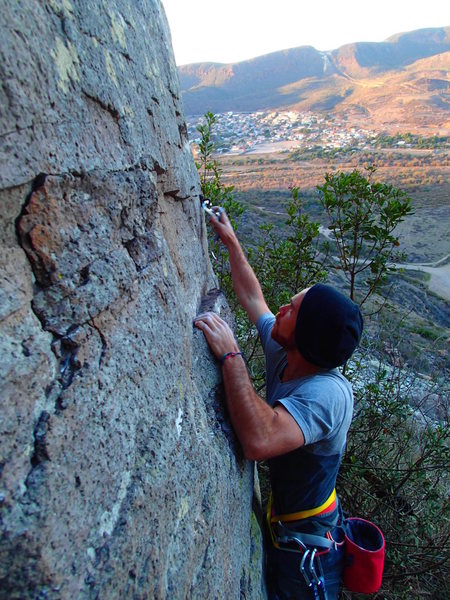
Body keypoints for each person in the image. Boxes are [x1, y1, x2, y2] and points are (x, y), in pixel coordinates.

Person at [194, 208, 363, 599]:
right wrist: (230, 240)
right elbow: (254, 297)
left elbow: (259, 439)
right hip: (286, 525)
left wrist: (232, 358)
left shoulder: (328, 396)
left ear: (305, 338)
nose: (281, 310)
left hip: (306, 554)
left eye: (293, 310)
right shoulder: (291, 350)